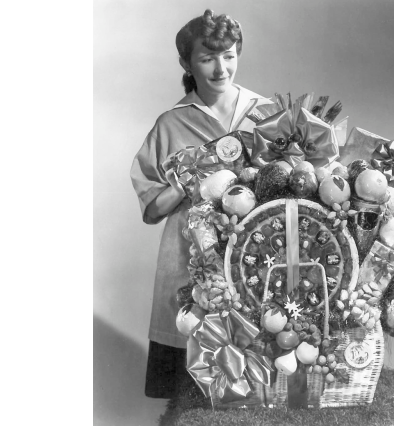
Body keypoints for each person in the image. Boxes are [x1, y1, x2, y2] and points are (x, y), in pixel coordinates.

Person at [130, 9, 272, 398]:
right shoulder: (170, 124)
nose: (220, 68)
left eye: (228, 55)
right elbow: (151, 210)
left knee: (265, 345)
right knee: (190, 378)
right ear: (186, 63)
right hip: (190, 251)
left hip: (255, 246)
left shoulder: (264, 113)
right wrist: (184, 182)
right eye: (207, 58)